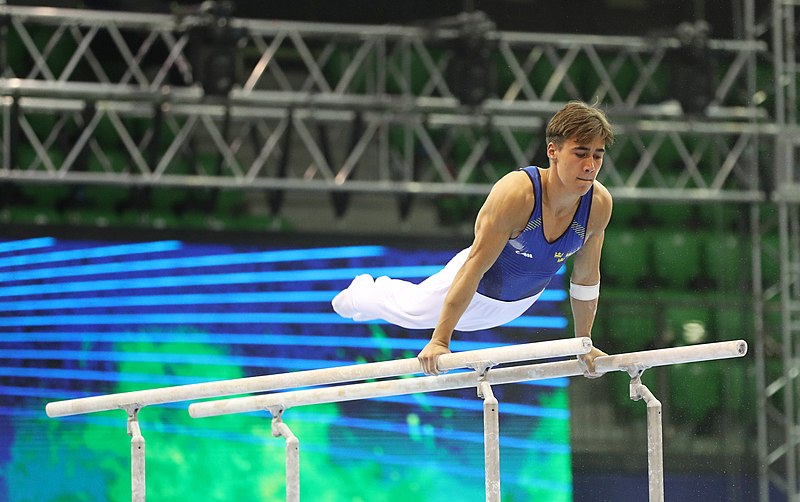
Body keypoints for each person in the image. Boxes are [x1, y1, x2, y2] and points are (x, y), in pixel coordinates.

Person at [332, 101, 613, 377]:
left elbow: (586, 278)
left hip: (518, 304)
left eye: (597, 156)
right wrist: (440, 341)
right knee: (412, 310)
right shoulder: (517, 194)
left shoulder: (598, 205)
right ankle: (362, 294)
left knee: (417, 311)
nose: (590, 165)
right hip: (472, 285)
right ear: (553, 151)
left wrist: (583, 344)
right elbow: (474, 268)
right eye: (580, 153)